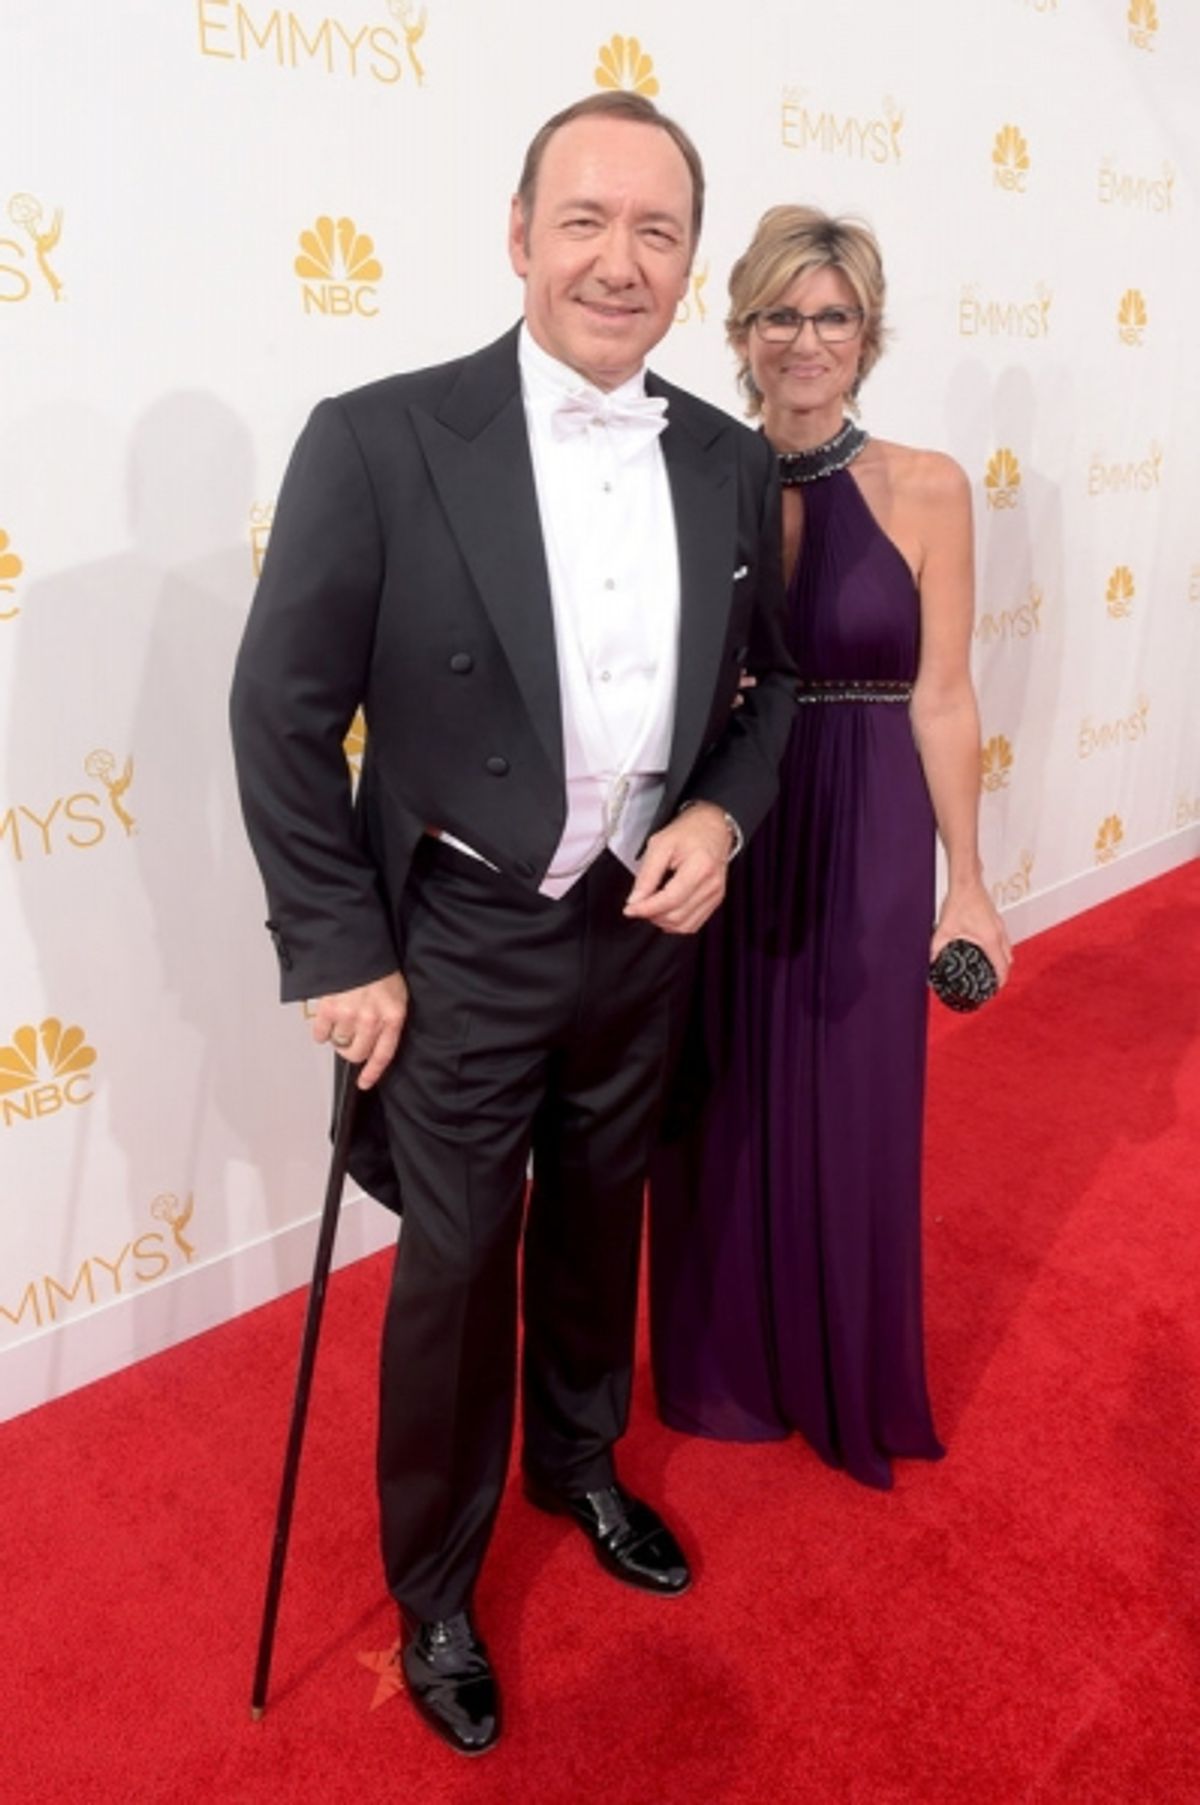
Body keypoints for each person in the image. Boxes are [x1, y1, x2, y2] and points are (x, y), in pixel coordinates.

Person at [229, 95, 795, 1756]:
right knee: (455, 1270)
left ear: (691, 257)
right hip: (463, 932)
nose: (620, 263)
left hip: (642, 925)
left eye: (658, 231)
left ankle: (581, 1458)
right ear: (519, 233)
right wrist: (336, 944)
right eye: (586, 222)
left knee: (600, 1216)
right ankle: (438, 1587)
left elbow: (758, 700)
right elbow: (281, 711)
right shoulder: (382, 436)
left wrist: (721, 812)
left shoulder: (726, 454)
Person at [649, 206, 1012, 1492]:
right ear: (740, 329)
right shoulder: (692, 473)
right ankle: (721, 1363)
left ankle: (843, 1369)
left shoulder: (927, 485)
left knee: (856, 1097)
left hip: (866, 822)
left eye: (833, 316)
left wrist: (966, 880)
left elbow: (947, 694)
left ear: (868, 334)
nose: (805, 342)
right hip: (723, 819)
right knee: (717, 1093)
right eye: (779, 316)